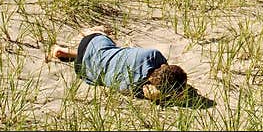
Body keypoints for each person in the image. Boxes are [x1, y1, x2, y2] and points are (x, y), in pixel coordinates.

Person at [48, 26, 187, 103]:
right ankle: (67, 51)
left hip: (91, 43)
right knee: (102, 59)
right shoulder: (134, 88)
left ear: (164, 67)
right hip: (83, 70)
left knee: (109, 47)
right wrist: (160, 97)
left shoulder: (152, 55)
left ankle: (90, 32)